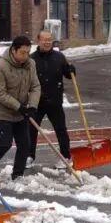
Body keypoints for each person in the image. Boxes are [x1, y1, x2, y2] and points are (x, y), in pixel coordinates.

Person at [0, 35, 40, 179]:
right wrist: (18, 106)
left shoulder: (31, 64)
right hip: (3, 112)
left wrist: (32, 106)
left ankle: (17, 174)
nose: (26, 56)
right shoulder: (1, 67)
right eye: (22, 52)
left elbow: (35, 86)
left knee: (24, 145)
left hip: (21, 113)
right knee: (4, 144)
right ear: (14, 50)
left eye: (28, 52)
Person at [29, 29, 75, 164]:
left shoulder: (59, 57)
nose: (47, 42)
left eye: (50, 39)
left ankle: (65, 157)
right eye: (45, 40)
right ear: (38, 41)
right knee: (31, 130)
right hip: (36, 102)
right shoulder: (31, 59)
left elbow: (68, 74)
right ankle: (29, 156)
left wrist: (71, 70)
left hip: (55, 101)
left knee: (61, 130)